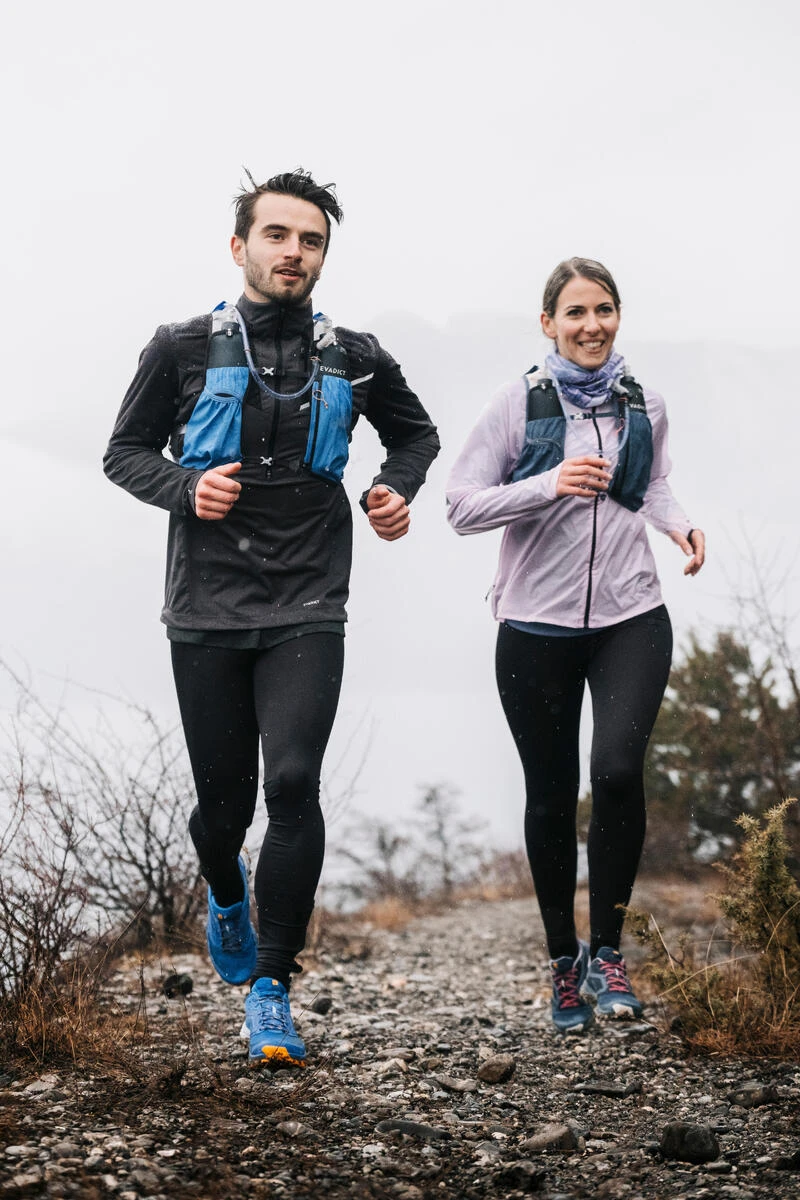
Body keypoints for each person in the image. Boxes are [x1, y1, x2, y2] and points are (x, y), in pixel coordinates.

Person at [104, 169, 439, 1066]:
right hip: (206, 606)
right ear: (240, 245)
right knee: (225, 810)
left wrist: (390, 490)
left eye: (313, 240)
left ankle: (271, 991)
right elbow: (123, 454)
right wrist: (184, 485)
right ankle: (224, 888)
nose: (295, 252)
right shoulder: (179, 347)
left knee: (292, 786)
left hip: (308, 600)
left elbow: (415, 436)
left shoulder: (355, 352)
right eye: (279, 235)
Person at [446, 258, 704, 1034]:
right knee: (552, 795)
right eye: (576, 313)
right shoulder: (516, 404)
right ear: (548, 322)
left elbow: (649, 482)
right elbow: (461, 506)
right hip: (535, 628)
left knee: (618, 771)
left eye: (605, 310)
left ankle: (609, 952)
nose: (592, 325)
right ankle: (565, 962)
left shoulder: (643, 402)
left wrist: (680, 524)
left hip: (632, 615)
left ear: (618, 315)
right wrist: (548, 483)